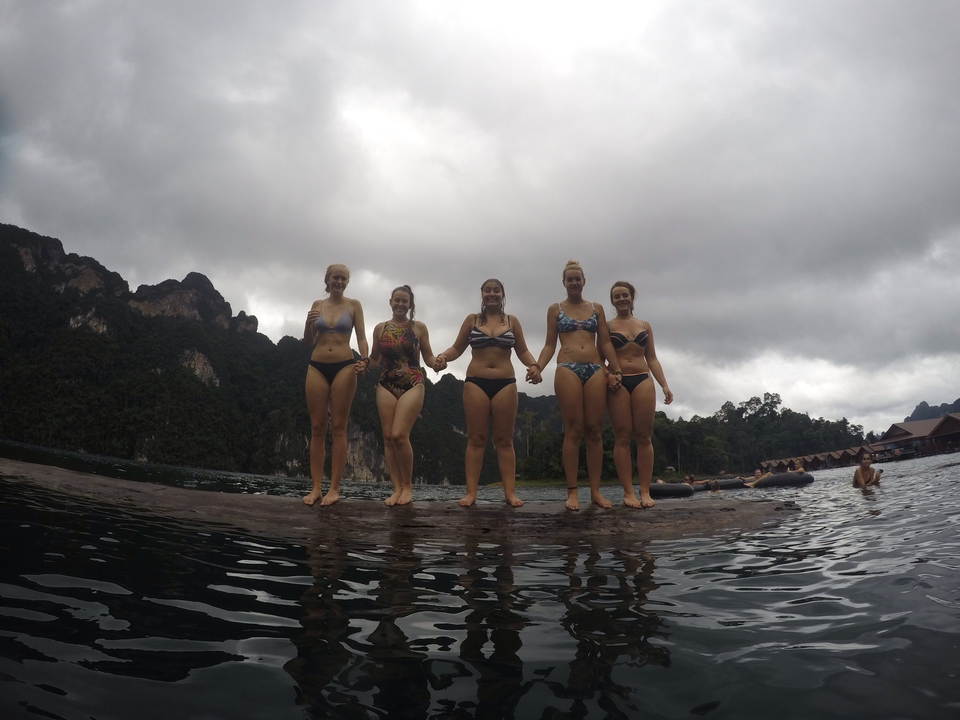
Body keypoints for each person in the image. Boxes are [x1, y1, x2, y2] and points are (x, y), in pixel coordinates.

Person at [434, 279, 543, 508]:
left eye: (496, 290)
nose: (492, 294)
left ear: (502, 294)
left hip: (506, 383)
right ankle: (471, 493)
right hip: (476, 382)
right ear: (482, 294)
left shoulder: (512, 321)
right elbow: (457, 348)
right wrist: (443, 357)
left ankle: (509, 494)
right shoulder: (472, 320)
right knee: (476, 439)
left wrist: (535, 366)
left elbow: (522, 350)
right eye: (487, 290)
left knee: (504, 440)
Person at [531, 260, 623, 511]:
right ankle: (572, 492)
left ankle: (595, 492)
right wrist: (538, 366)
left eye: (577, 279)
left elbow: (605, 343)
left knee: (594, 430)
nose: (574, 282)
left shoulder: (596, 308)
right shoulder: (555, 309)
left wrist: (615, 370)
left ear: (584, 282)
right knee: (573, 429)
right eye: (569, 279)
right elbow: (550, 344)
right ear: (564, 283)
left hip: (594, 368)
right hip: (567, 367)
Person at [368, 285, 440, 506]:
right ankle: (396, 489)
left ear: (410, 305)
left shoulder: (419, 328)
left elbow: (428, 358)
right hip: (386, 383)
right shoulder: (380, 328)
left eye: (404, 301)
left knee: (399, 435)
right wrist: (363, 364)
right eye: (397, 300)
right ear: (390, 302)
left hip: (413, 382)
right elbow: (374, 359)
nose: (400, 304)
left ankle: (407, 486)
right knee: (388, 437)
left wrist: (438, 363)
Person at [303, 264, 368, 506]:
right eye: (335, 278)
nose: (339, 282)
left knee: (339, 427)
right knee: (317, 427)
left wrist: (365, 359)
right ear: (327, 280)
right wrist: (308, 323)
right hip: (316, 366)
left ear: (347, 282)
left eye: (343, 279)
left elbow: (361, 337)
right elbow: (309, 341)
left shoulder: (354, 305)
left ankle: (334, 488)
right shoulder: (317, 305)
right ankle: (316, 488)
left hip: (344, 366)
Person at [605, 281, 673, 509]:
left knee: (644, 437)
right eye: (616, 296)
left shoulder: (645, 325)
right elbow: (599, 359)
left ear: (632, 297)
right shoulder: (607, 326)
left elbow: (652, 357)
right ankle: (628, 492)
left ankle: (645, 490)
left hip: (643, 378)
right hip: (619, 382)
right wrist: (609, 376)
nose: (621, 299)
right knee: (622, 437)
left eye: (625, 295)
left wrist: (664, 385)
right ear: (612, 301)